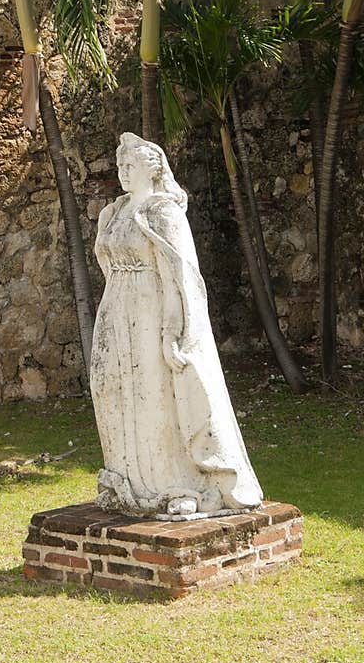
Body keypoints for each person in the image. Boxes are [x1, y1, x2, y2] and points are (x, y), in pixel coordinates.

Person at [90, 132, 263, 518]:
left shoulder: (162, 211)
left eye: (130, 166)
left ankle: (173, 484)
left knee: (156, 396)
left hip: (152, 312)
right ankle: (126, 481)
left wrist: (173, 332)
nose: (123, 172)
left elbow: (180, 278)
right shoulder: (112, 213)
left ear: (151, 169)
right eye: (120, 166)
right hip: (116, 310)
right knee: (113, 391)